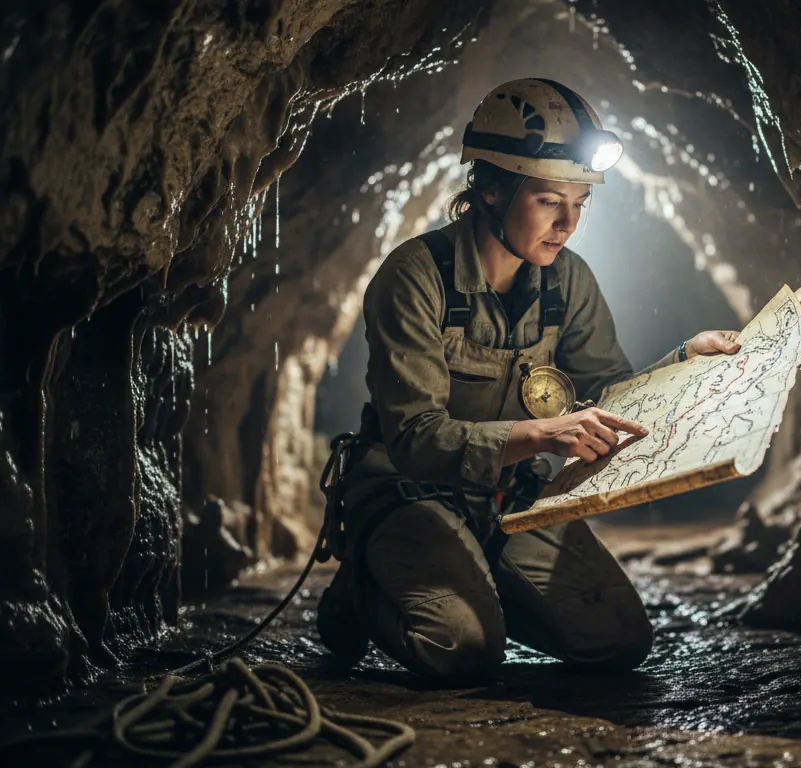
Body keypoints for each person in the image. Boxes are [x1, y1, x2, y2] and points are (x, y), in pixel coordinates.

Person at [316, 78, 742, 681]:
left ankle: (476, 583)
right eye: (548, 201)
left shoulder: (567, 282)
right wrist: (543, 435)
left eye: (579, 203)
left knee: (619, 640)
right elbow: (414, 437)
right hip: (403, 491)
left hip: (505, 501)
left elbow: (610, 392)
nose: (567, 223)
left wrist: (684, 360)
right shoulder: (415, 276)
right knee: (463, 650)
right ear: (491, 189)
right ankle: (366, 588)